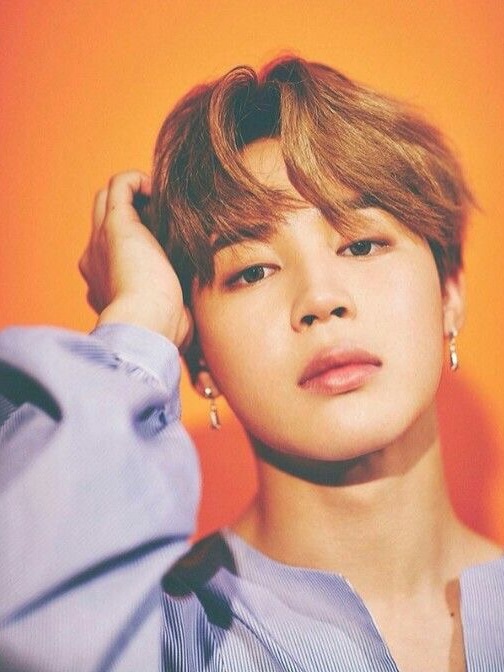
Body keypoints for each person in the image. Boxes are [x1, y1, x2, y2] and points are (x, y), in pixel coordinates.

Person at [0, 56, 502, 672]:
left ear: (449, 293)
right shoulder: (156, 637)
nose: (320, 299)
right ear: (198, 357)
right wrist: (140, 316)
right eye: (253, 271)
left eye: (362, 243)